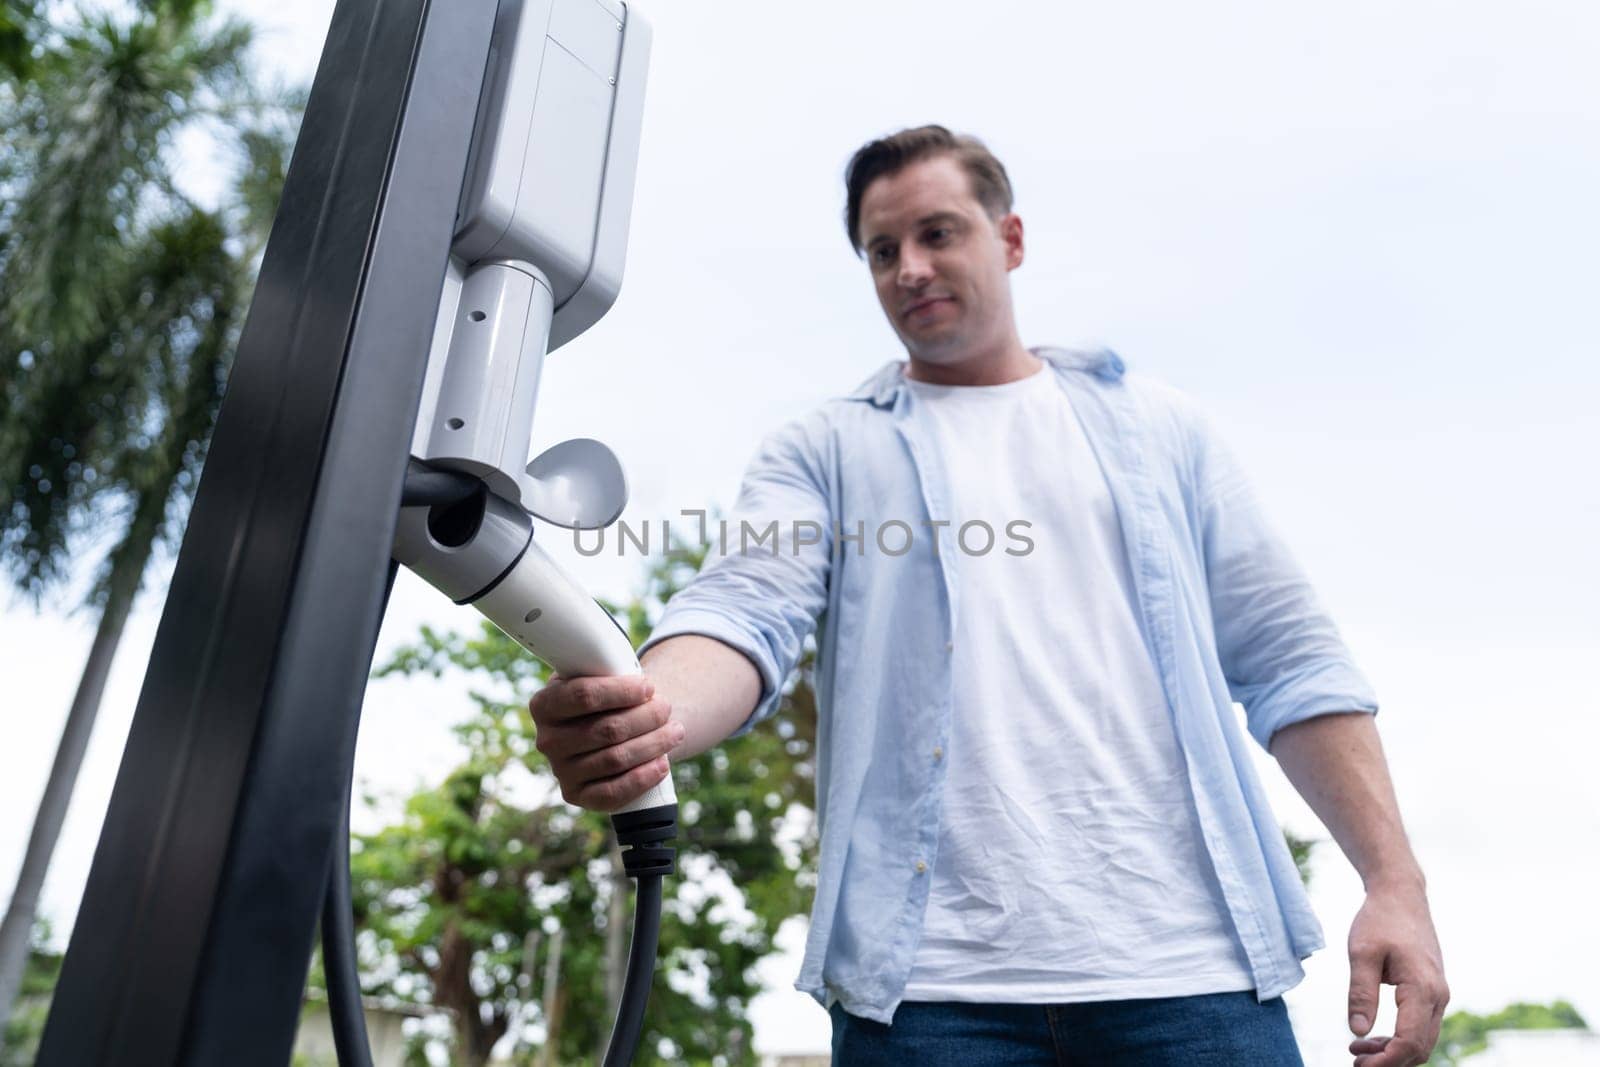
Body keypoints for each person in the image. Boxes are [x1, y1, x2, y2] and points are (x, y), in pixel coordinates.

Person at [528, 126, 1447, 1066]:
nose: (909, 268)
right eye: (882, 251)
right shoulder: (825, 451)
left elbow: (1290, 658)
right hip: (927, 1001)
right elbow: (746, 607)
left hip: (1193, 976)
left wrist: (1394, 881)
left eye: (938, 233)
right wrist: (649, 712)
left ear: (1009, 239)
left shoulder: (1161, 429)